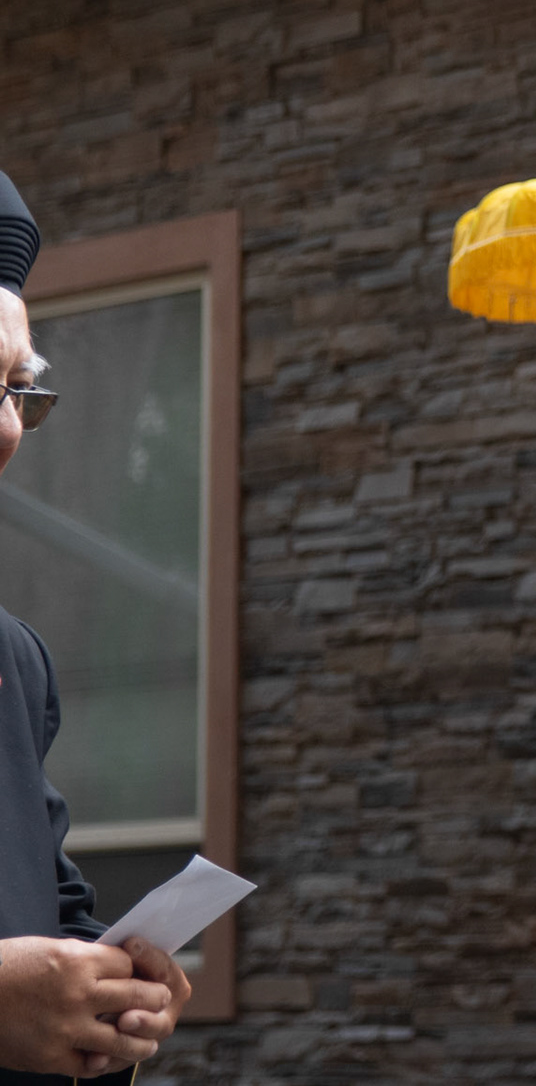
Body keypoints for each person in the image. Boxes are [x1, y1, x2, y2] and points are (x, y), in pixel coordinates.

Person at [0, 172, 192, 1083]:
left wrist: (110, 989)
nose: (9, 429)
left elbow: (43, 904)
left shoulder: (15, 660)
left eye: (17, 388)